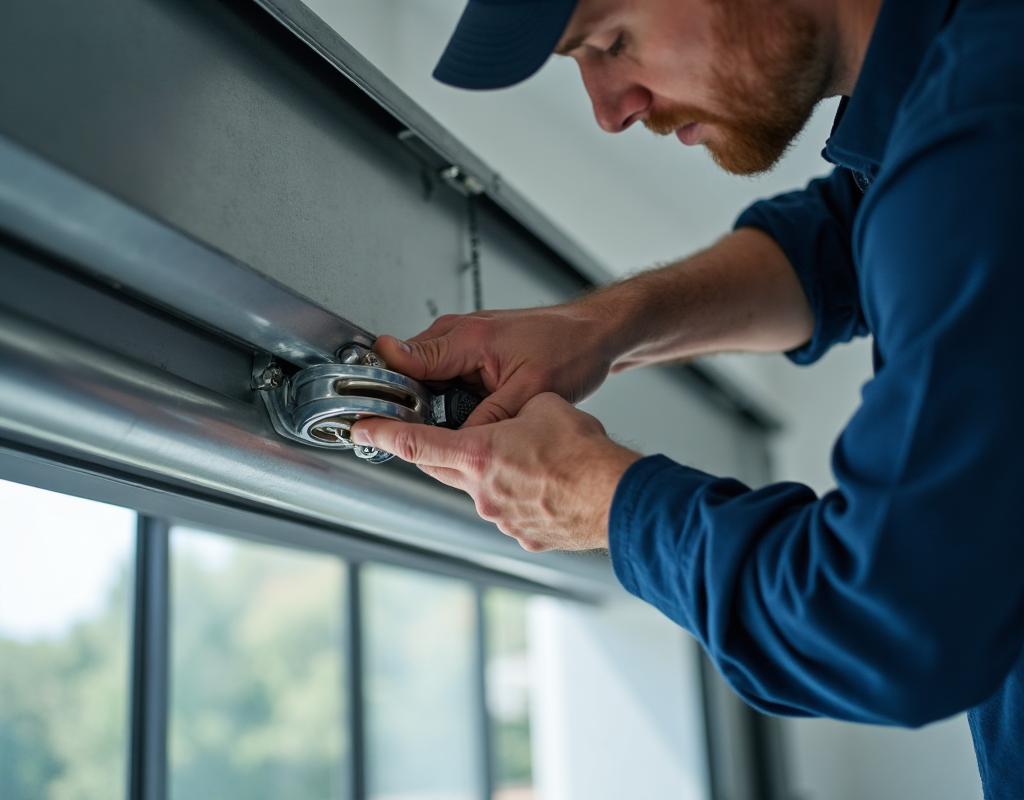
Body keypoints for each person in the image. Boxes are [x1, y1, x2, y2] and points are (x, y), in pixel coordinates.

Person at [349, 0, 1024, 794]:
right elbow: (850, 233)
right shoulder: (956, 87)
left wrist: (602, 500)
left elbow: (892, 620)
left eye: (610, 40)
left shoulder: (983, 124)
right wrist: (598, 327)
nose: (608, 111)